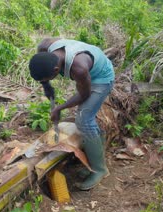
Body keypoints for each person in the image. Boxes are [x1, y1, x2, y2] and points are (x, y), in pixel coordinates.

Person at [28, 38, 115, 190]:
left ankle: (100, 170)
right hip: (89, 70)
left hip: (102, 78)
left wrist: (58, 108)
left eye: (48, 78)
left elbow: (84, 95)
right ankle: (95, 157)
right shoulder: (44, 47)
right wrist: (46, 85)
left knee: (84, 119)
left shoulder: (78, 68)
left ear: (56, 70)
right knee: (84, 119)